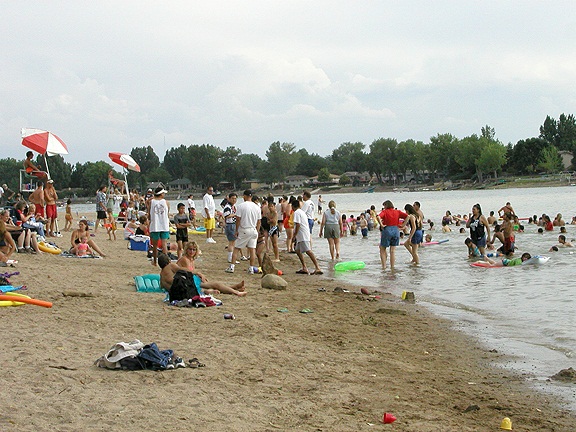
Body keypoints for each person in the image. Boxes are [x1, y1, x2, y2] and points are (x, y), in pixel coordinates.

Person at [161, 251, 247, 298]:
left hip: (180, 291)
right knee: (214, 284)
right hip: (186, 286)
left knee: (210, 285)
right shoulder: (171, 266)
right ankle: (236, 292)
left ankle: (234, 288)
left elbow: (163, 287)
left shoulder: (162, 275)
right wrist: (197, 273)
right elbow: (183, 270)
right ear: (168, 261)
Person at [226, 190, 260, 274]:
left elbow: (238, 219)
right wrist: (257, 231)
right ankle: (251, 268)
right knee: (252, 250)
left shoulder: (241, 206)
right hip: (253, 229)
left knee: (236, 248)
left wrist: (237, 230)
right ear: (251, 196)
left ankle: (232, 267)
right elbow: (259, 221)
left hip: (244, 228)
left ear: (244, 196)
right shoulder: (257, 207)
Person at [292, 199, 322, 275]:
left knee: (308, 251)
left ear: (293, 206)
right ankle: (304, 267)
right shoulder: (302, 212)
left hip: (302, 235)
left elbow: (298, 224)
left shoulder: (297, 212)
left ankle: (317, 267)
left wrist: (294, 235)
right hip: (302, 235)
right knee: (297, 250)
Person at [377, 200, 408, 270]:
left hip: (387, 229)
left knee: (382, 248)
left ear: (386, 205)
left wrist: (381, 225)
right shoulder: (397, 212)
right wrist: (403, 225)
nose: (384, 208)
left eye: (384, 206)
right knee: (393, 251)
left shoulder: (385, 212)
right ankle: (392, 267)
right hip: (396, 230)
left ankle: (384, 266)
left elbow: (378, 217)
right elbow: (408, 216)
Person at [149, 187, 170, 266]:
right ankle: (166, 262)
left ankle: (155, 261)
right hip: (164, 225)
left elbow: (149, 213)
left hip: (155, 225)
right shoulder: (166, 202)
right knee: (164, 244)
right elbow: (167, 213)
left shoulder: (152, 202)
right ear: (161, 194)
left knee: (155, 245)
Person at [266, 197, 280, 262]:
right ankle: (275, 256)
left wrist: (270, 220)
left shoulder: (275, 213)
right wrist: (270, 220)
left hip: (275, 228)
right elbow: (268, 221)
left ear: (274, 206)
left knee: (275, 244)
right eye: (269, 206)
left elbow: (274, 221)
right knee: (272, 243)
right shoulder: (268, 213)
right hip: (270, 228)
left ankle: (277, 257)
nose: (270, 208)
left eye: (272, 206)